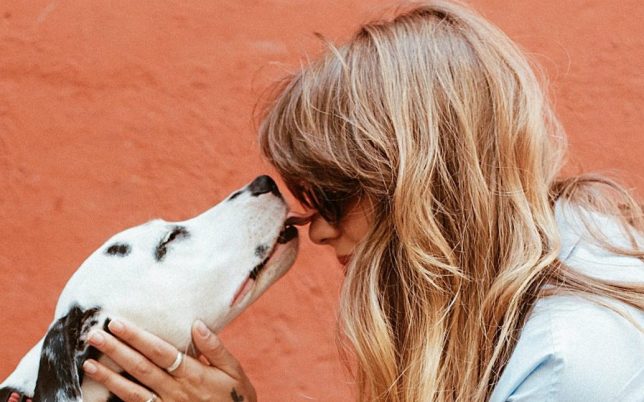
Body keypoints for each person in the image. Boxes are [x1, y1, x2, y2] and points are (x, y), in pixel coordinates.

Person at [81, 1, 644, 401]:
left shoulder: (565, 366)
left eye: (334, 195)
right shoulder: (563, 245)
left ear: (424, 182)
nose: (317, 231)